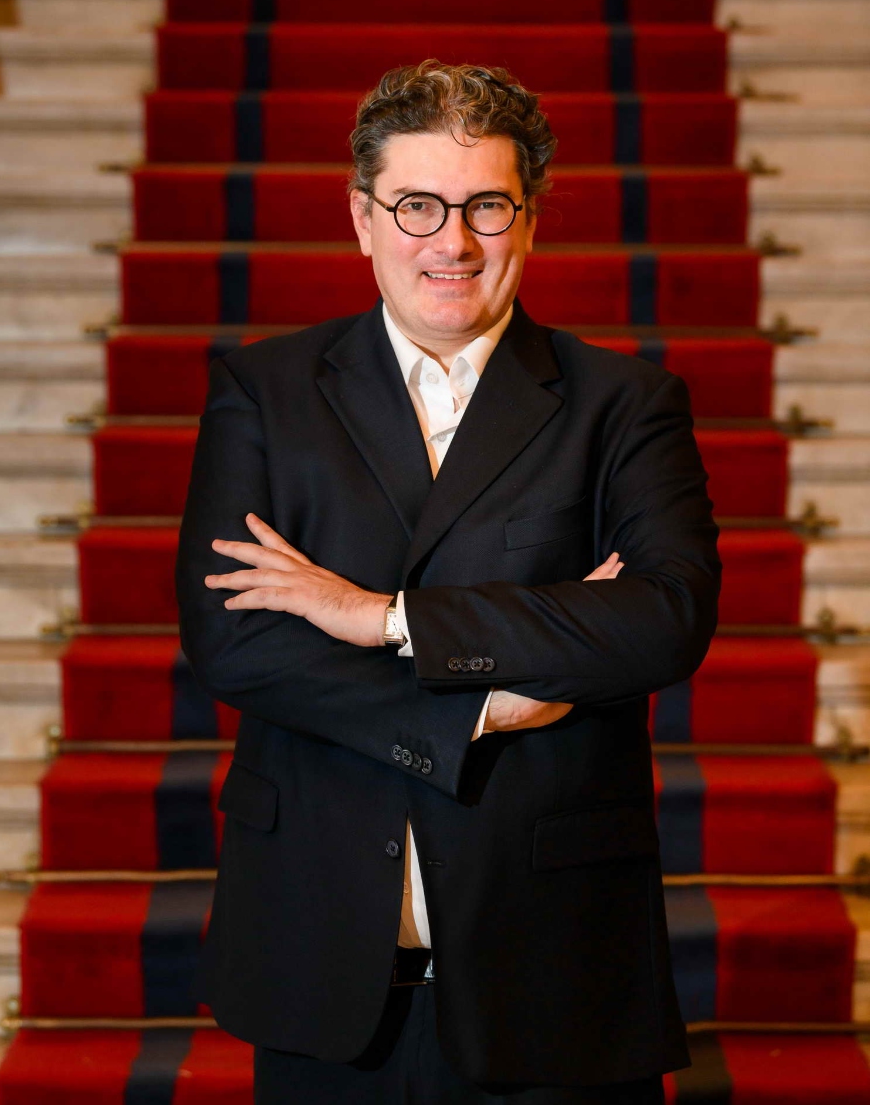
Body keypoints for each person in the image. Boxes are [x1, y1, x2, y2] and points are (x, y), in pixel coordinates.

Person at [175, 59, 721, 1104]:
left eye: (486, 207)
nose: (453, 242)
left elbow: (662, 619)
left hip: (553, 960)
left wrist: (382, 618)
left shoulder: (625, 402)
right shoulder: (264, 390)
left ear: (529, 220)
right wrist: (477, 706)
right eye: (417, 205)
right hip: (322, 949)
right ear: (363, 218)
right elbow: (236, 640)